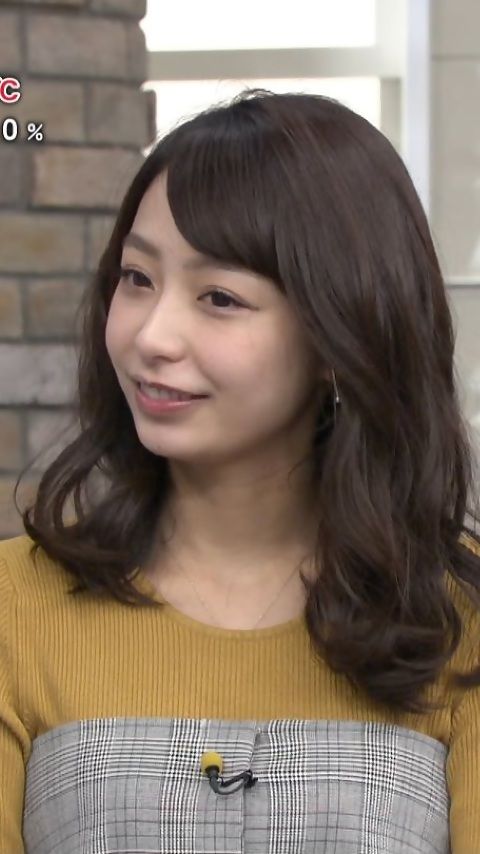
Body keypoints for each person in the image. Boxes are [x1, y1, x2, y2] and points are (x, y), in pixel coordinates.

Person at [0, 88, 479, 853]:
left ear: (340, 335)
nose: (152, 336)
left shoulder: (460, 620)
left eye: (219, 297)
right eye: (136, 278)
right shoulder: (14, 609)